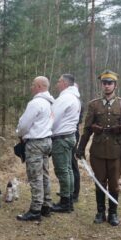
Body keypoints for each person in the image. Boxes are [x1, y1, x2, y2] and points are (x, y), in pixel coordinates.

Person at [76, 70, 121, 226]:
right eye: (104, 83)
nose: (107, 86)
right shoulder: (93, 104)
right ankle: (100, 212)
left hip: (116, 151)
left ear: (115, 85)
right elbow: (87, 129)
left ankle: (113, 214)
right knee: (100, 182)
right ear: (101, 85)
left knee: (114, 183)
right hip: (98, 151)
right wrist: (81, 147)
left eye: (110, 83)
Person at [16, 76, 54, 221]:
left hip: (36, 143)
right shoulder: (51, 102)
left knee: (35, 176)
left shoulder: (36, 103)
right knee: (44, 174)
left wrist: (19, 133)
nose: (31, 87)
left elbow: (24, 124)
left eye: (33, 84)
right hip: (47, 141)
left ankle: (35, 209)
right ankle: (46, 205)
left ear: (39, 86)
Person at [51, 74, 81, 213]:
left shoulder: (65, 98)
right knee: (68, 170)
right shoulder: (74, 97)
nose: (57, 84)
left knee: (63, 171)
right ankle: (68, 200)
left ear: (64, 83)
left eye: (58, 81)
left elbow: (53, 117)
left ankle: (65, 203)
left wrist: (46, 131)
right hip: (69, 136)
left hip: (62, 138)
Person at [71, 83, 84, 203]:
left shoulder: (78, 103)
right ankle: (69, 190)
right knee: (67, 165)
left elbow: (79, 120)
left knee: (73, 163)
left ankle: (75, 193)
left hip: (73, 134)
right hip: (69, 134)